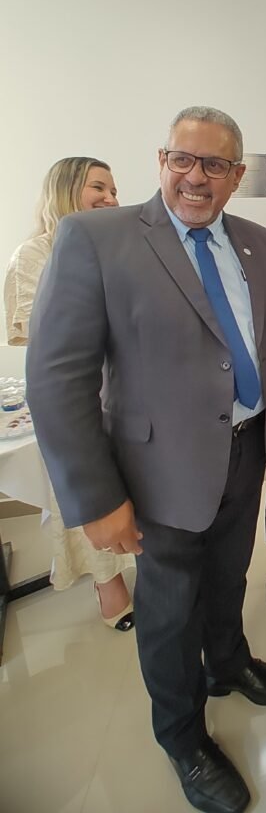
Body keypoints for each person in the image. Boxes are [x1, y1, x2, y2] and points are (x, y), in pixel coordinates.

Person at [25, 107, 266, 813]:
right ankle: (182, 737)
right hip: (158, 471)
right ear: (161, 161)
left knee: (230, 574)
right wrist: (96, 497)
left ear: (237, 176)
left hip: (247, 449)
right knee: (170, 609)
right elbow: (57, 379)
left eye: (213, 165)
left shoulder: (259, 245)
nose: (195, 177)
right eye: (181, 159)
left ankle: (228, 664)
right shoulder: (97, 239)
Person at [4, 156, 134, 630]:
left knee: (126, 487)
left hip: (122, 388)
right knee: (84, 490)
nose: (110, 198)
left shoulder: (115, 248)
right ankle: (107, 583)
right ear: (65, 189)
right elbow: (37, 337)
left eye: (113, 190)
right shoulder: (34, 255)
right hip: (76, 393)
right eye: (98, 187)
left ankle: (134, 561)